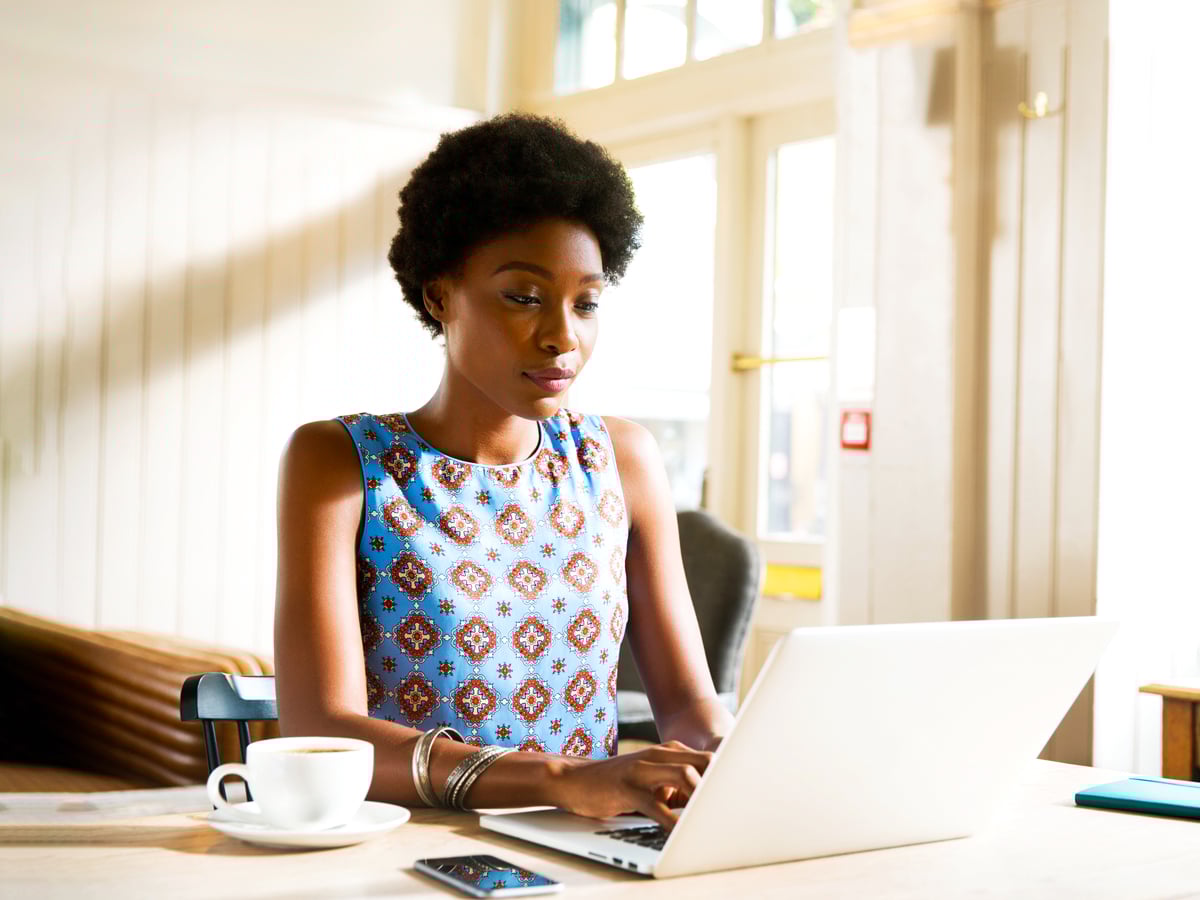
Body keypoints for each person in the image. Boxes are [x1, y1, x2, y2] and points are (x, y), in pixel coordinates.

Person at [274, 113, 732, 829]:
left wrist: (745, 762)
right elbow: (325, 732)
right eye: (524, 296)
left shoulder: (622, 459)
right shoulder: (338, 462)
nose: (562, 337)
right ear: (439, 294)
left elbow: (689, 706)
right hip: (410, 850)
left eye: (586, 303)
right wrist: (562, 778)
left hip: (587, 847)